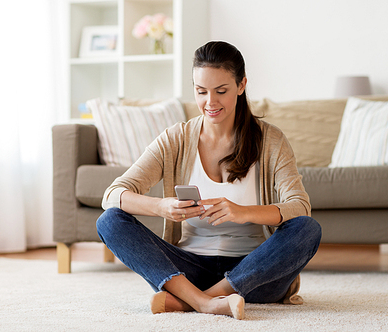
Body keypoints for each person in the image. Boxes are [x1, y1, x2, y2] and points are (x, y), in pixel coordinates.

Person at [96, 41, 321, 320]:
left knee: (307, 229)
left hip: (255, 274)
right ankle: (204, 302)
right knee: (109, 220)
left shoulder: (271, 140)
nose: (210, 102)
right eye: (201, 91)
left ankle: (195, 300)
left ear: (241, 85)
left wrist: (242, 213)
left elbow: (299, 206)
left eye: (221, 91)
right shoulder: (175, 139)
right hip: (188, 270)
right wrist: (162, 207)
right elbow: (113, 195)